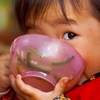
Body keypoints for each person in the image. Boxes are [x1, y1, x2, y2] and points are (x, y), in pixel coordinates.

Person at [0, 0, 100, 99]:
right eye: (37, 36)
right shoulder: (24, 82)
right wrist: (3, 89)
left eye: (69, 35)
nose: (48, 54)